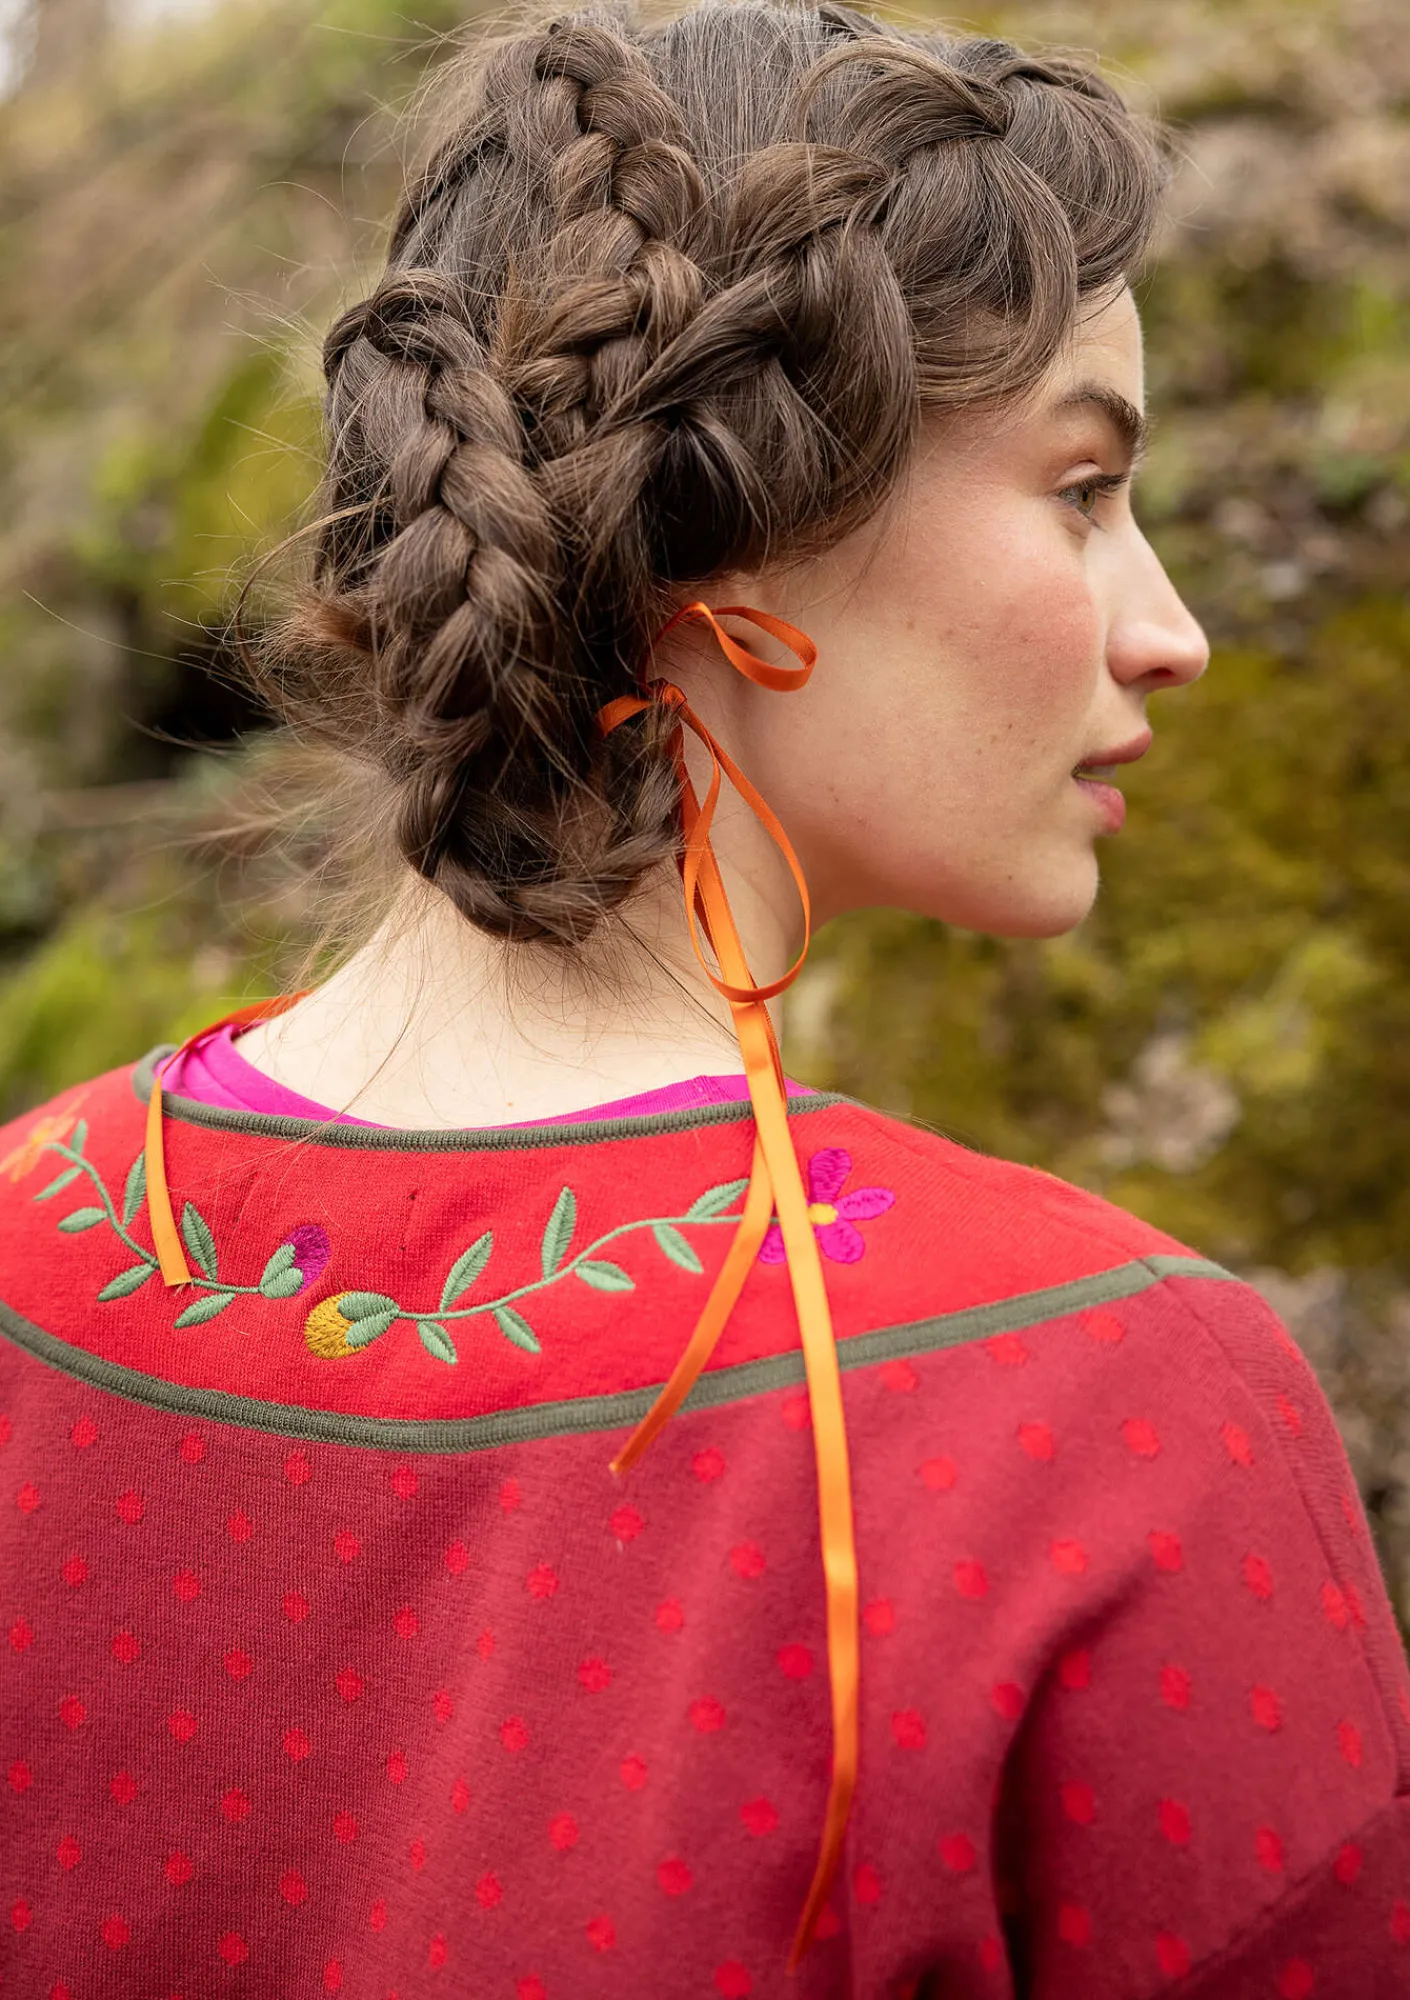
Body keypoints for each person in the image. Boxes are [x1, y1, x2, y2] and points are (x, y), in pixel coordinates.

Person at [2, 3, 1407, 1994]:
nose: (1168, 631)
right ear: (731, 523)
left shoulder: (27, 1242)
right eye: (1084, 489)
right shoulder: (1115, 1407)